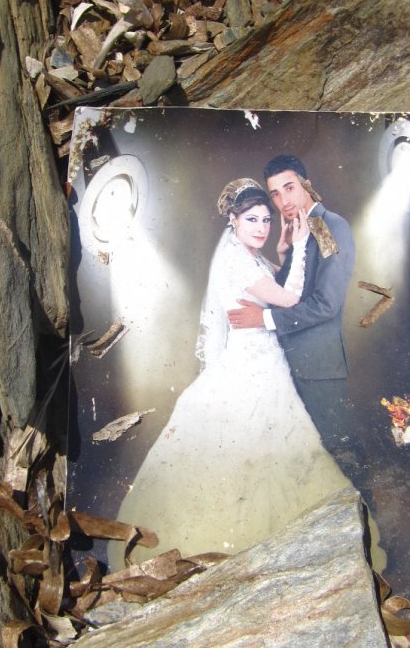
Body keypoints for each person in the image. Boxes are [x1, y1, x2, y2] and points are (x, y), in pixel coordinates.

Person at [113, 178, 351, 563]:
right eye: (252, 220)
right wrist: (304, 244)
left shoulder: (250, 255)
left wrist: (282, 251)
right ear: (233, 220)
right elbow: (290, 298)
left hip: (263, 358)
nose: (261, 227)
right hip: (250, 365)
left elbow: (276, 283)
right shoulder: (236, 260)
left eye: (265, 221)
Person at [227, 155, 356, 471]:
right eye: (275, 193)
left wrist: (265, 319)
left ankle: (371, 518)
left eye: (289, 188)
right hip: (292, 361)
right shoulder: (301, 228)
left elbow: (326, 303)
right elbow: (296, 292)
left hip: (319, 366)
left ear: (306, 184)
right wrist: (285, 256)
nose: (283, 201)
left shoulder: (327, 226)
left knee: (341, 454)